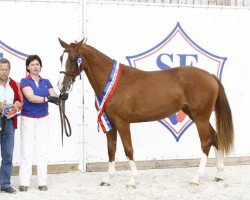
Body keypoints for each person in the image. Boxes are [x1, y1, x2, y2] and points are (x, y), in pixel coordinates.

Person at [18, 55, 64, 192]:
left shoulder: (46, 81)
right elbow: (31, 97)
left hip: (43, 119)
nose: (35, 67)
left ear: (41, 66)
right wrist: (47, 99)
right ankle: (24, 182)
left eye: (37, 64)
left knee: (42, 151)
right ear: (27, 67)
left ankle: (42, 182)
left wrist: (61, 97)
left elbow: (53, 94)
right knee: (26, 150)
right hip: (28, 119)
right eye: (32, 64)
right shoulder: (24, 81)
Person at [0, 58, 22, 194]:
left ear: (9, 70)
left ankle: (5, 184)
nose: (3, 72)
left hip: (9, 122)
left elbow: (19, 100)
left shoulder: (13, 83)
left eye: (6, 69)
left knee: (7, 155)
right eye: (1, 69)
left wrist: (17, 105)